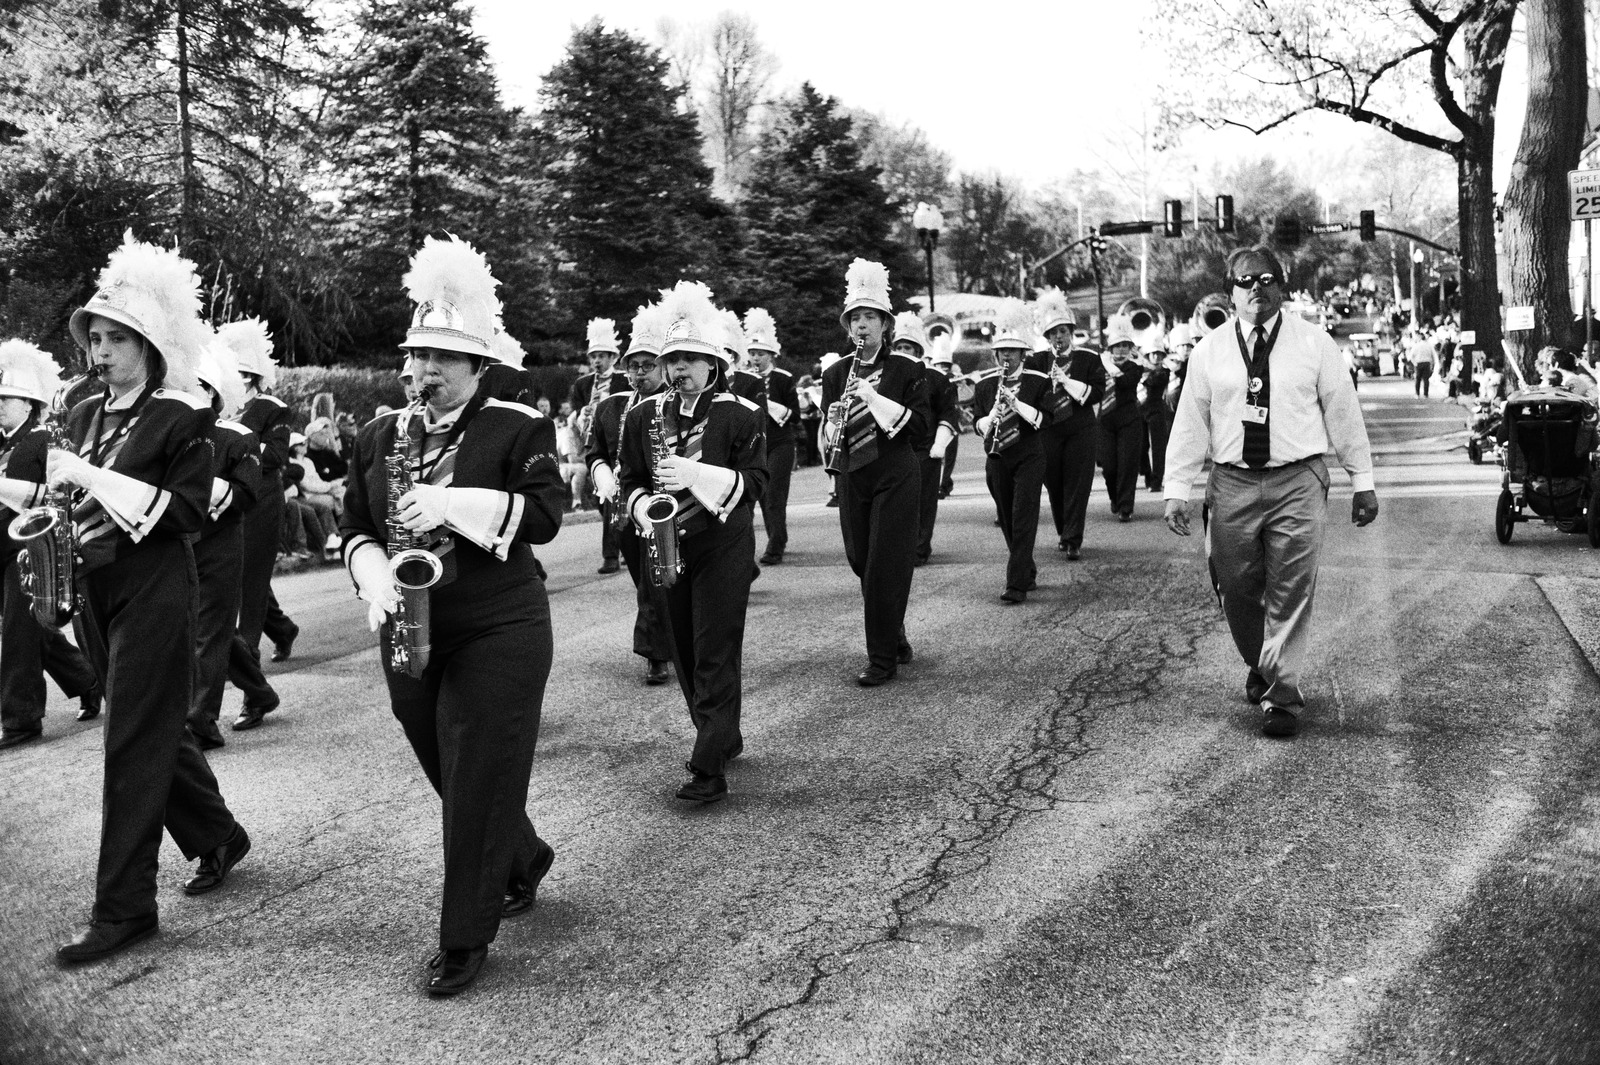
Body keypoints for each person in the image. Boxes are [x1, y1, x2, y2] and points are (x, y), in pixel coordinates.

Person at [340, 235, 565, 995]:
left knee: (474, 767)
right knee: (445, 757)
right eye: (415, 355)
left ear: (477, 366)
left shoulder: (515, 425)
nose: (422, 371)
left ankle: (464, 935)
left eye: (440, 357)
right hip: (408, 623)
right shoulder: (379, 434)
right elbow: (355, 526)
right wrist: (372, 576)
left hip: (500, 622)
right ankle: (522, 855)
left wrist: (449, 504)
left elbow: (544, 516)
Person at [52, 235, 252, 962]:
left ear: (148, 342)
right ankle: (217, 833)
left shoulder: (183, 416)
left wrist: (90, 478)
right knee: (149, 728)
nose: (99, 352)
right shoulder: (80, 413)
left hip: (158, 587)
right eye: (95, 339)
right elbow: (70, 495)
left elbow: (184, 513)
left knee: (129, 742)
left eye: (115, 339)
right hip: (96, 588)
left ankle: (125, 907)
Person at [1163, 245, 1379, 738]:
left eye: (1266, 280)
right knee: (1235, 587)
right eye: (1245, 282)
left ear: (1281, 286)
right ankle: (1263, 663)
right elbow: (1192, 421)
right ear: (1231, 291)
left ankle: (1282, 694)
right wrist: (1177, 485)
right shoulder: (1210, 350)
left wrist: (1360, 481)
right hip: (1231, 480)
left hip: (1297, 479)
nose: (1256, 290)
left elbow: (1343, 413)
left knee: (1291, 586)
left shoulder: (1315, 343)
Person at [616, 281, 767, 803]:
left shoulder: (740, 414)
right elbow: (629, 478)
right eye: (672, 359)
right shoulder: (642, 416)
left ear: (712, 365)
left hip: (723, 541)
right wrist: (642, 507)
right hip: (665, 541)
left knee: (714, 648)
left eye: (689, 359)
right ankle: (721, 733)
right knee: (682, 648)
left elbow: (756, 483)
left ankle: (708, 766)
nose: (678, 368)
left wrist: (693, 475)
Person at [820, 259, 930, 685]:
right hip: (852, 473)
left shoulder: (907, 369)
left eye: (870, 317)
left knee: (887, 563)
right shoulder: (834, 373)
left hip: (895, 472)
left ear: (886, 324)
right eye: (855, 318)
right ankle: (894, 632)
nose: (862, 325)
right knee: (861, 560)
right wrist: (832, 419)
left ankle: (880, 658)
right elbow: (832, 431)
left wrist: (874, 398)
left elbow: (918, 429)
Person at [0, 341, 101, 749]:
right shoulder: (6, 442)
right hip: (5, 547)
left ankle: (21, 719)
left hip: (27, 550)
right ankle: (87, 680)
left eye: (6, 399)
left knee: (18, 637)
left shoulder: (41, 441)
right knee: (32, 631)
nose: (0, 405)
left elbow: (53, 492)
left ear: (29, 403)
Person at [587, 301, 674, 686]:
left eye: (648, 365)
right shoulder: (609, 406)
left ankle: (657, 653)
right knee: (646, 580)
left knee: (657, 580)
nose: (640, 373)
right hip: (621, 507)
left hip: (662, 504)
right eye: (633, 365)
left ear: (664, 367)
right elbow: (595, 452)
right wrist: (603, 475)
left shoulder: (674, 404)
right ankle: (667, 638)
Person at [185, 338, 261, 750]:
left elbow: (247, 493)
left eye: (194, 384)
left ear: (211, 391)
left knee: (208, 634)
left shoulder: (237, 435)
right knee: (203, 633)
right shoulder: (169, 431)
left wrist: (200, 486)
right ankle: (261, 692)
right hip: (178, 545)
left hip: (218, 544)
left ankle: (200, 722)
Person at [225, 319, 291, 731]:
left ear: (250, 376)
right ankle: (284, 630)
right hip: (228, 505)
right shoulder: (221, 407)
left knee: (249, 595)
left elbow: (277, 455)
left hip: (263, 504)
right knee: (247, 582)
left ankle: (254, 696)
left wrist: (237, 446)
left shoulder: (272, 409)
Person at [972, 302, 1053, 602]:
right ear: (995, 354)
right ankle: (1026, 568)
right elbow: (978, 426)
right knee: (1007, 518)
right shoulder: (984, 386)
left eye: (1012, 350)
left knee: (1023, 517)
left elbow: (1046, 419)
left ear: (1023, 353)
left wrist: (1016, 404)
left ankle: (1015, 584)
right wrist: (992, 413)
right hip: (997, 458)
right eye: (1001, 350)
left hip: (1029, 455)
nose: (1006, 355)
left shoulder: (1038, 382)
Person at [1034, 291, 1104, 559]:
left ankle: (1072, 538)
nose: (1058, 337)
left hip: (1081, 429)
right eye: (1053, 333)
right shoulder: (1037, 361)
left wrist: (1067, 382)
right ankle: (1064, 530)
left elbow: (1098, 391)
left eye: (1062, 331)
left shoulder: (1089, 358)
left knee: (1078, 483)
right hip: (1049, 430)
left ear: (1071, 332)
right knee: (1054, 483)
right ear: (1047, 337)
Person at [743, 308, 798, 566]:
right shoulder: (744, 381)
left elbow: (796, 414)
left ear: (771, 355)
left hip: (780, 442)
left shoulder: (783, 379)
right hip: (755, 444)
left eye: (760, 354)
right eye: (752, 353)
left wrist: (769, 405)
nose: (755, 358)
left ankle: (775, 545)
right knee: (762, 495)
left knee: (775, 493)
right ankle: (779, 536)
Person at [901, 320, 958, 566]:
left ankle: (919, 549)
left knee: (924, 502)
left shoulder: (935, 378)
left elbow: (948, 414)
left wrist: (939, 445)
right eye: (899, 347)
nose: (903, 352)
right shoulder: (886, 378)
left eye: (908, 348)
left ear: (919, 351)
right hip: (897, 449)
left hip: (926, 450)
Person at [572, 320, 626, 574]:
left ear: (613, 357)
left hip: (619, 444)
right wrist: (582, 414)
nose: (597, 361)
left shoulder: (623, 381)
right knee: (601, 500)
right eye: (593, 356)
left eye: (602, 356)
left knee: (612, 494)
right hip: (593, 443)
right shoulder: (583, 384)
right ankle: (625, 539)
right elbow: (574, 417)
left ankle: (610, 556)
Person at [1097, 321, 1144, 522]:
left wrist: (1110, 368)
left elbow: (1126, 382)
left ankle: (1126, 507)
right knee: (1109, 466)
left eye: (1125, 345)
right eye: (1117, 346)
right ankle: (1115, 499)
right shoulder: (1100, 367)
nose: (1122, 349)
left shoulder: (1135, 366)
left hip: (1129, 419)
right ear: (1111, 348)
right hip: (1105, 420)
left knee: (1127, 464)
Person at [1408, 330, 1435, 397]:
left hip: (1418, 363)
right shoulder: (1429, 345)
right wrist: (1432, 363)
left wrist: (1414, 363)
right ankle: (1426, 394)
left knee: (1418, 379)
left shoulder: (1416, 345)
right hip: (1427, 363)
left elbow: (1410, 356)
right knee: (1426, 379)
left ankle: (1417, 393)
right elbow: (1433, 355)